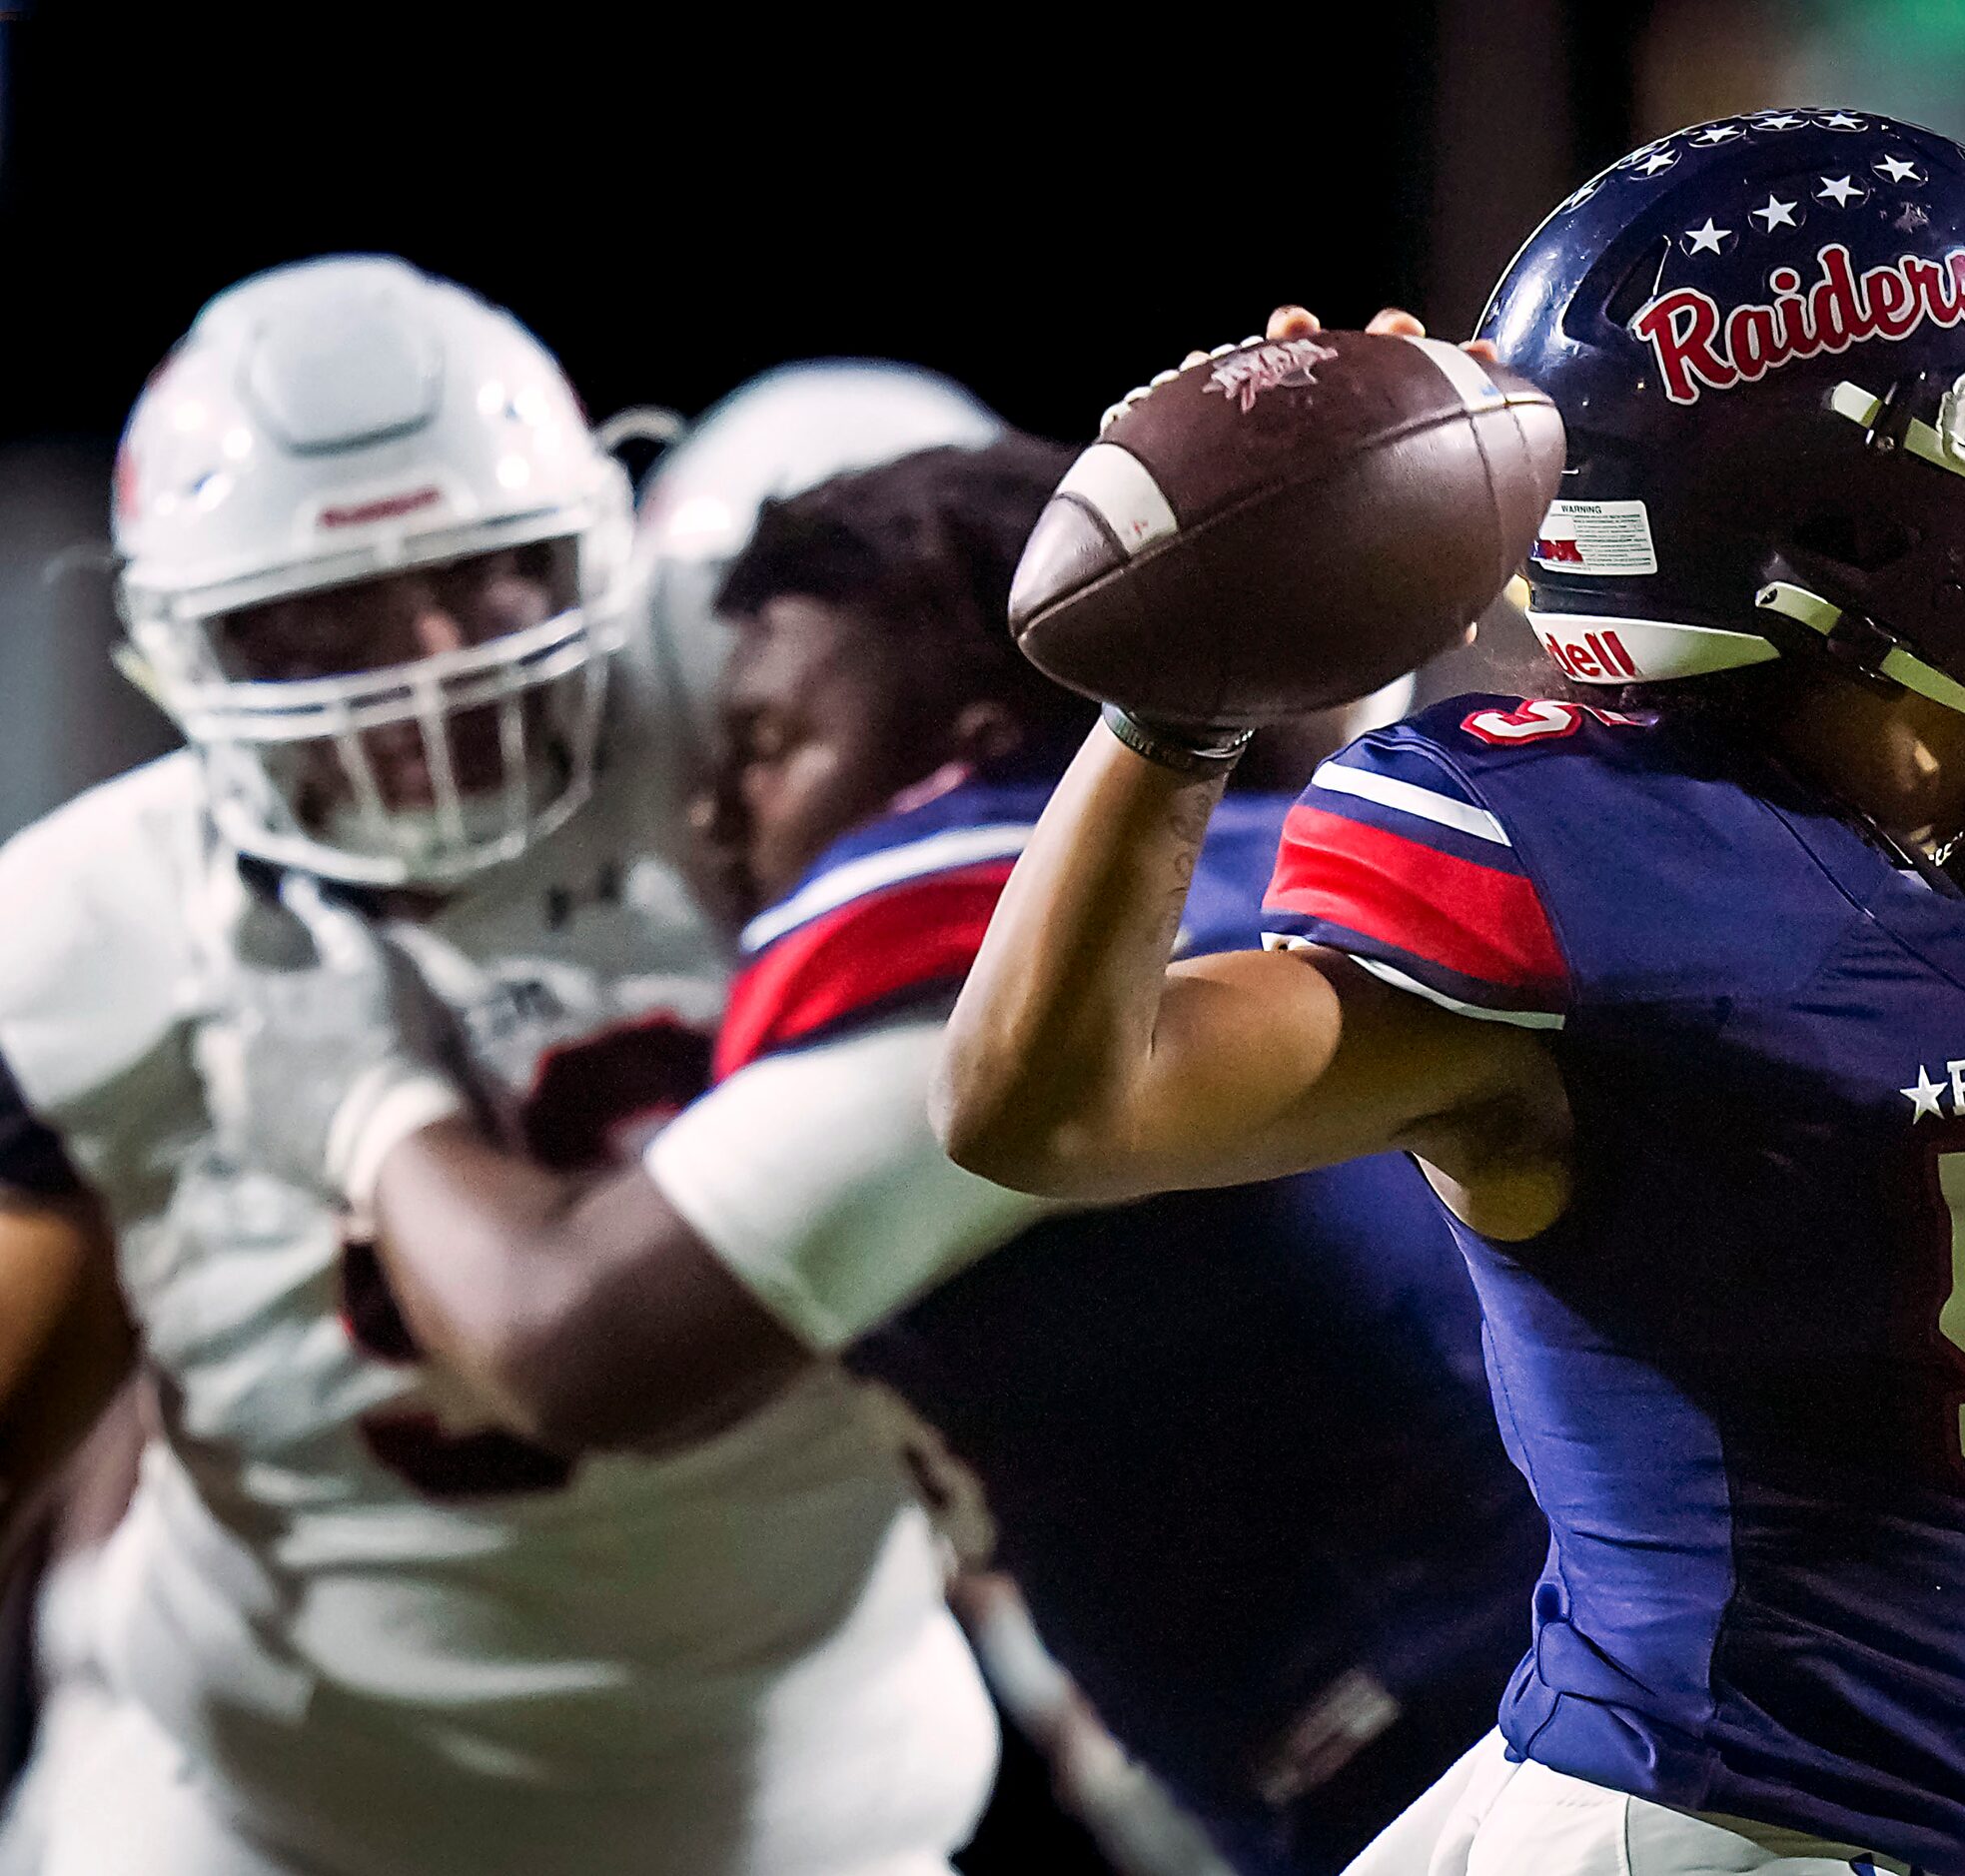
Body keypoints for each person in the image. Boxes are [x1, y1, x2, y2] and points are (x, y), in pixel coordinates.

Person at [936, 112, 1965, 1876]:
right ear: (1848, 526)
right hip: (1680, 1818)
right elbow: (1046, 1108)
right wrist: (1173, 710)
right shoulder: (1571, 861)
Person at [236, 440, 1546, 1875]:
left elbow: (571, 1340)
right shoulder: (1229, 864)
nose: (711, 815)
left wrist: (366, 1097)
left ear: (966, 748)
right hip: (1470, 1725)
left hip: (1496, 1758)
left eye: (765, 745)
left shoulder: (974, 972)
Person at [0, 258, 998, 1876]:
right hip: (281, 1819)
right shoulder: (93, 929)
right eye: (317, 618)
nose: (425, 669)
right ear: (180, 648)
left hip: (816, 1815)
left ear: (614, 544)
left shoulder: (767, 708)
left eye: (489, 578)